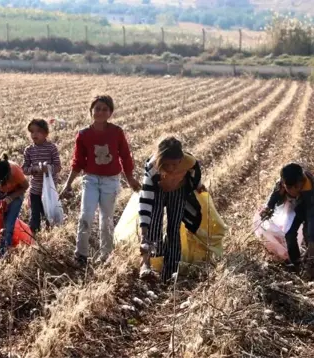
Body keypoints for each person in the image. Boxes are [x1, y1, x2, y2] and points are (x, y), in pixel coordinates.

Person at [60, 95, 141, 266]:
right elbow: (78, 162)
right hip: (91, 179)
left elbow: (125, 157)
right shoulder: (83, 135)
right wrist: (67, 184)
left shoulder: (116, 132)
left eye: (105, 109)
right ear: (91, 111)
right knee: (86, 216)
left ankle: (106, 255)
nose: (100, 112)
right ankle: (81, 254)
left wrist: (130, 178)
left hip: (111, 181)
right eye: (97, 108)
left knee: (106, 219)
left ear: (110, 113)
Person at [138, 137, 205, 282]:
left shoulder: (189, 162)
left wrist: (199, 186)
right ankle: (149, 266)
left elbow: (196, 175)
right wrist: (144, 227)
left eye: (175, 164)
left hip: (178, 190)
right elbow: (145, 199)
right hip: (158, 190)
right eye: (167, 165)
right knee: (153, 225)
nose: (172, 169)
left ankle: (171, 272)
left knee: (174, 229)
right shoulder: (152, 168)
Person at [260, 163, 314, 278]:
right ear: (286, 186)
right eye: (293, 188)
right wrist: (269, 208)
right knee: (289, 234)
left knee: (309, 235)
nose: (297, 190)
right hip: (297, 209)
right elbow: (275, 196)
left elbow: (313, 217)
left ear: (301, 182)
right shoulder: (282, 185)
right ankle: (297, 265)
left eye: (299, 186)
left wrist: (311, 241)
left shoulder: (310, 192)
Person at [22, 119, 61, 233]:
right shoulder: (29, 150)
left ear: (46, 133)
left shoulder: (51, 148)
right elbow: (24, 169)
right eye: (32, 131)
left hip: (49, 190)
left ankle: (50, 236)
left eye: (38, 131)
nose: (34, 134)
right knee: (35, 217)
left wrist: (48, 168)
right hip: (35, 190)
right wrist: (33, 169)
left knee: (49, 215)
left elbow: (58, 166)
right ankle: (34, 237)